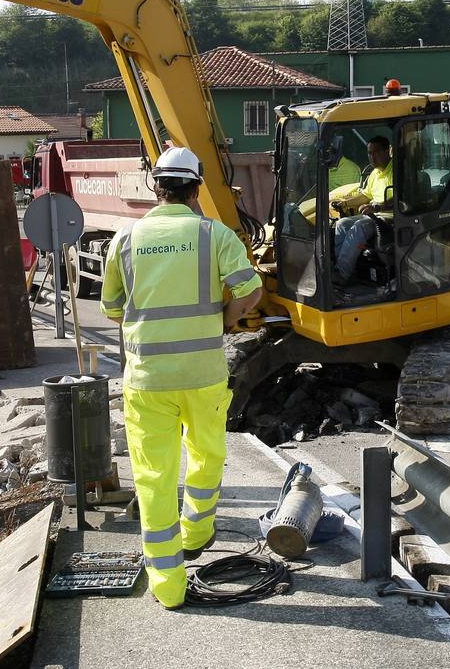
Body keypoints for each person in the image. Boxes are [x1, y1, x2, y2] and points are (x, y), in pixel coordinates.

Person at [99, 146, 264, 609]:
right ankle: (197, 531)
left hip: (147, 380)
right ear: (196, 187)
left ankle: (168, 586)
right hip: (204, 375)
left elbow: (113, 308)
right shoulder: (215, 236)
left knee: (153, 476)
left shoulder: (126, 239)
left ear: (157, 186)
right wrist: (224, 320)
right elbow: (250, 294)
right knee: (207, 455)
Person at [332, 135, 393, 284]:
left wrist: (376, 207)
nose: (372, 157)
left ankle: (342, 274)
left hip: (391, 215)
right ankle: (346, 269)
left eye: (376, 152)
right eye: (369, 153)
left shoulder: (396, 170)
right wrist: (345, 203)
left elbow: (400, 198)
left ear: (387, 151)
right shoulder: (375, 173)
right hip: (375, 214)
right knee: (342, 224)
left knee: (359, 227)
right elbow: (366, 194)